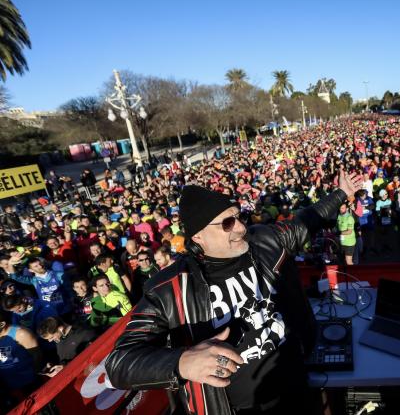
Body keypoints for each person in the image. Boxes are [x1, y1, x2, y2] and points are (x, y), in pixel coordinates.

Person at [106, 170, 361, 415]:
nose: (240, 228)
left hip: (297, 388)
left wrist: (341, 192)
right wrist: (181, 362)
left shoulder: (265, 242)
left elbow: (306, 221)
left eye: (238, 217)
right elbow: (119, 362)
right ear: (198, 236)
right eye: (227, 223)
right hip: (238, 408)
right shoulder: (168, 289)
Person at [0, 310, 41, 397]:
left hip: (31, 384)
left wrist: (34, 375)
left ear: (2, 324)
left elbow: (37, 356)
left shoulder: (21, 333)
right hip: (10, 388)